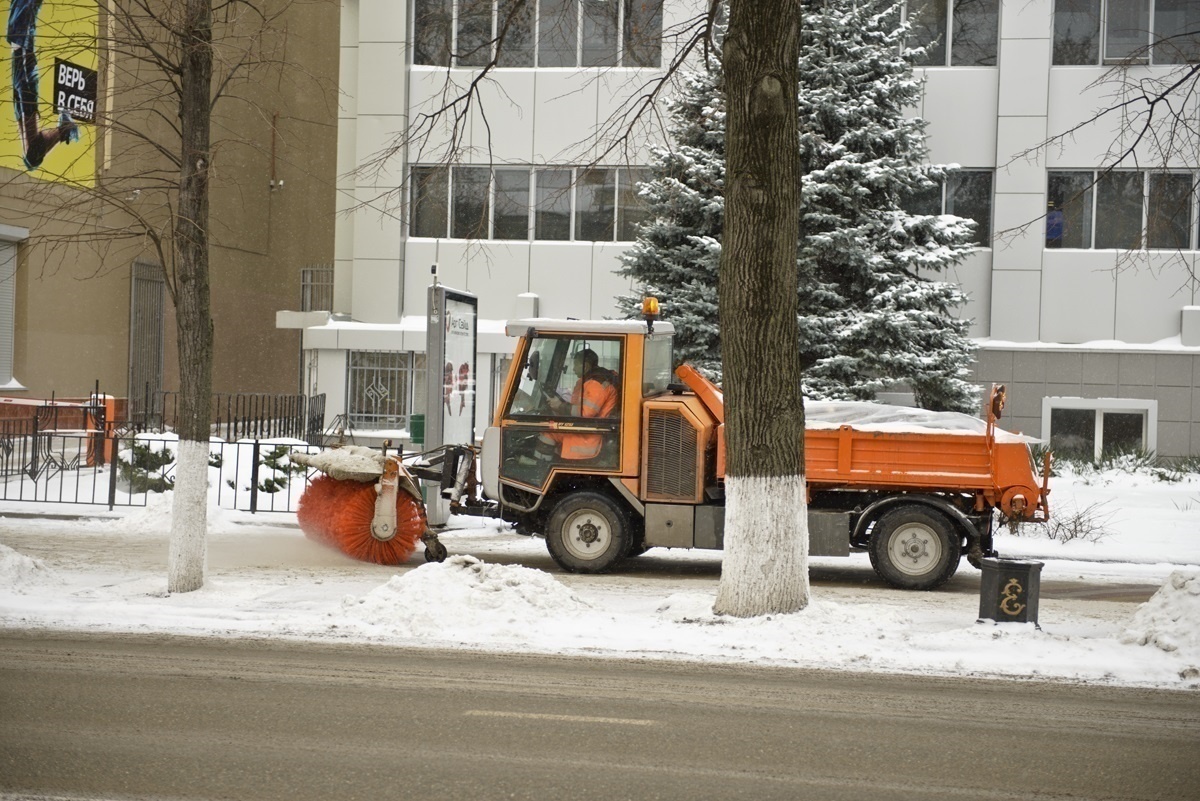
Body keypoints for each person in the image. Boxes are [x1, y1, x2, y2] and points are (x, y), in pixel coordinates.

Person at [8, 0, 80, 171]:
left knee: (31, 160)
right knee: (31, 160)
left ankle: (65, 129)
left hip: (22, 65)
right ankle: (64, 129)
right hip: (21, 65)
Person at [537, 348, 618, 461]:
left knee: (549, 432)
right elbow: (579, 407)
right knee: (552, 428)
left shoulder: (596, 384)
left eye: (576, 365)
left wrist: (560, 406)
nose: (573, 369)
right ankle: (550, 463)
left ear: (585, 366)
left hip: (589, 437)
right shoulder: (591, 380)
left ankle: (540, 467)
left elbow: (585, 413)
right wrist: (561, 404)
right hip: (588, 429)